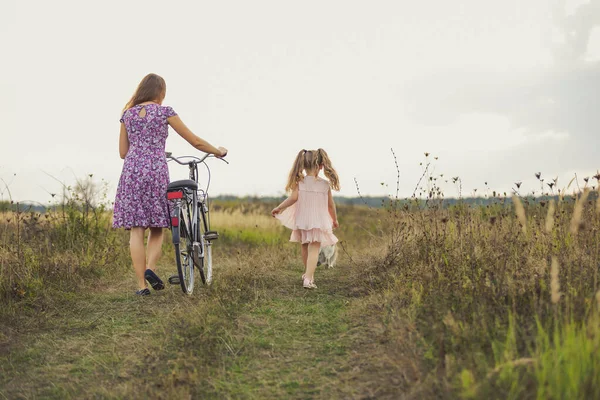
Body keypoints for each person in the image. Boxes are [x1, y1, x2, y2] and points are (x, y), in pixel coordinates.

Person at [113, 73, 227, 296]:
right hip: (155, 171)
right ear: (160, 93)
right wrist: (217, 151)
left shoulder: (127, 114)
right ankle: (150, 269)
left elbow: (122, 153)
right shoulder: (164, 112)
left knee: (136, 230)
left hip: (131, 173)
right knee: (157, 226)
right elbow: (194, 141)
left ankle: (141, 287)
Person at [271, 149, 340, 289]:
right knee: (314, 249)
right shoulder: (324, 185)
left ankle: (308, 275)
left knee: (305, 247)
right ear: (321, 165)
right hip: (318, 221)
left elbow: (293, 199)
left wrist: (279, 207)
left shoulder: (300, 182)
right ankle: (308, 279)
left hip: (302, 219)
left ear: (303, 165)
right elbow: (330, 206)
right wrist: (334, 219)